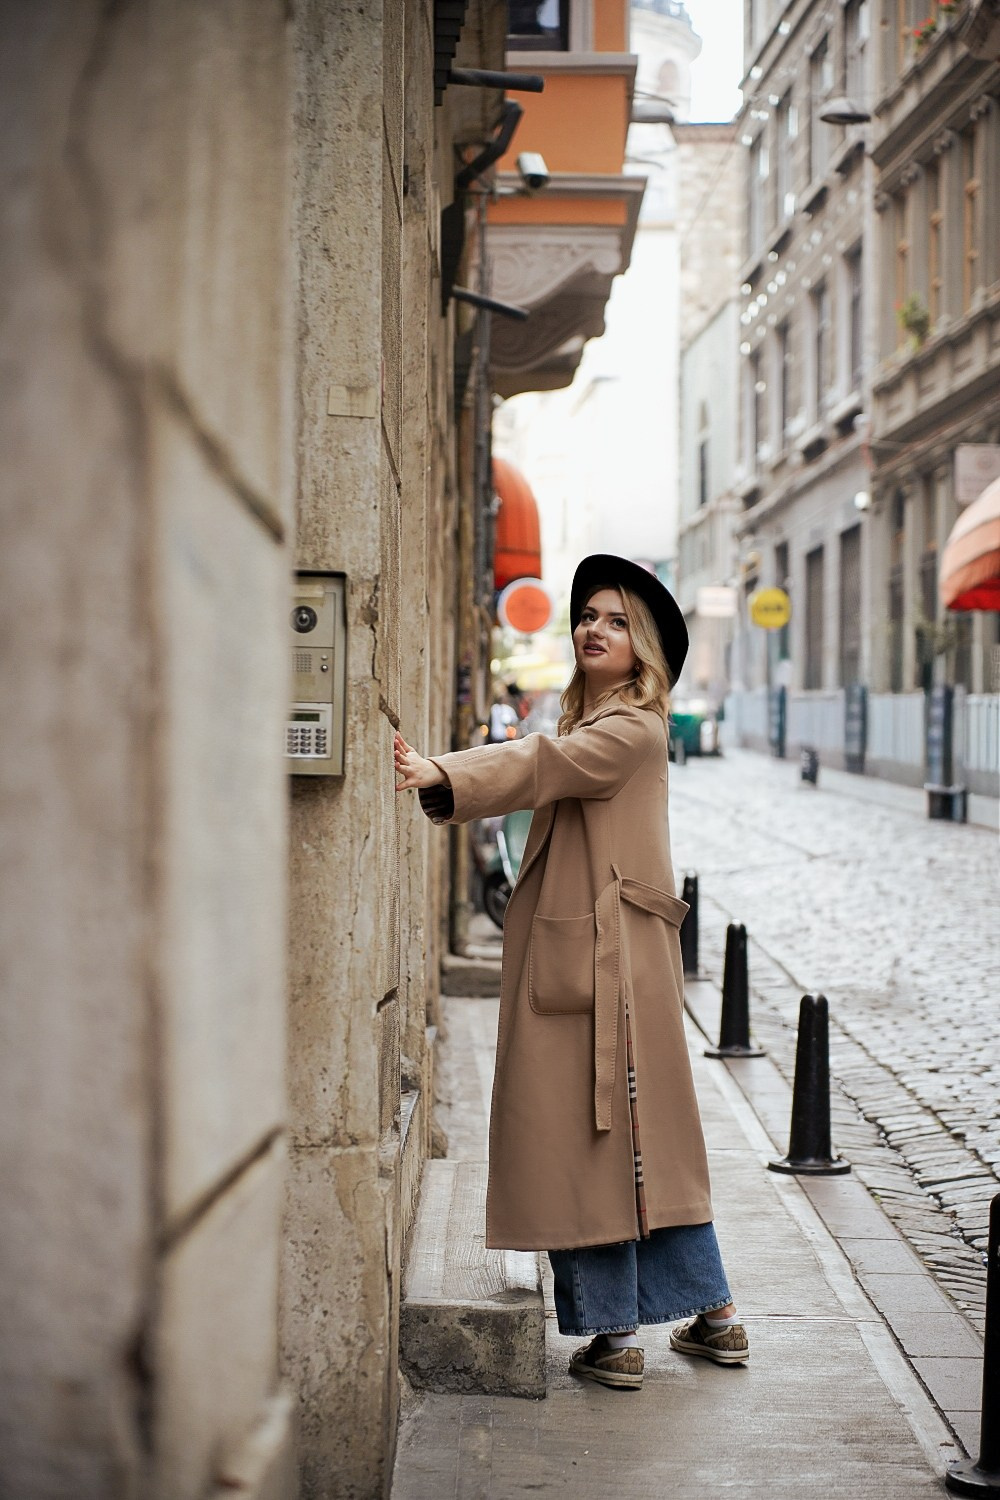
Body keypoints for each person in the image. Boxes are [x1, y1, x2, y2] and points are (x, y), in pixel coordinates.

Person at [393, 554, 748, 1391]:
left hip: (604, 968)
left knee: (587, 1144)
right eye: (588, 615)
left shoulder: (632, 728)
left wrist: (440, 771)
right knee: (633, 1145)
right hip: (597, 959)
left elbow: (540, 765)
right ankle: (715, 1316)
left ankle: (619, 1335)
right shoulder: (604, 724)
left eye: (617, 621)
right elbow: (554, 757)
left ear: (646, 648)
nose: (594, 628)